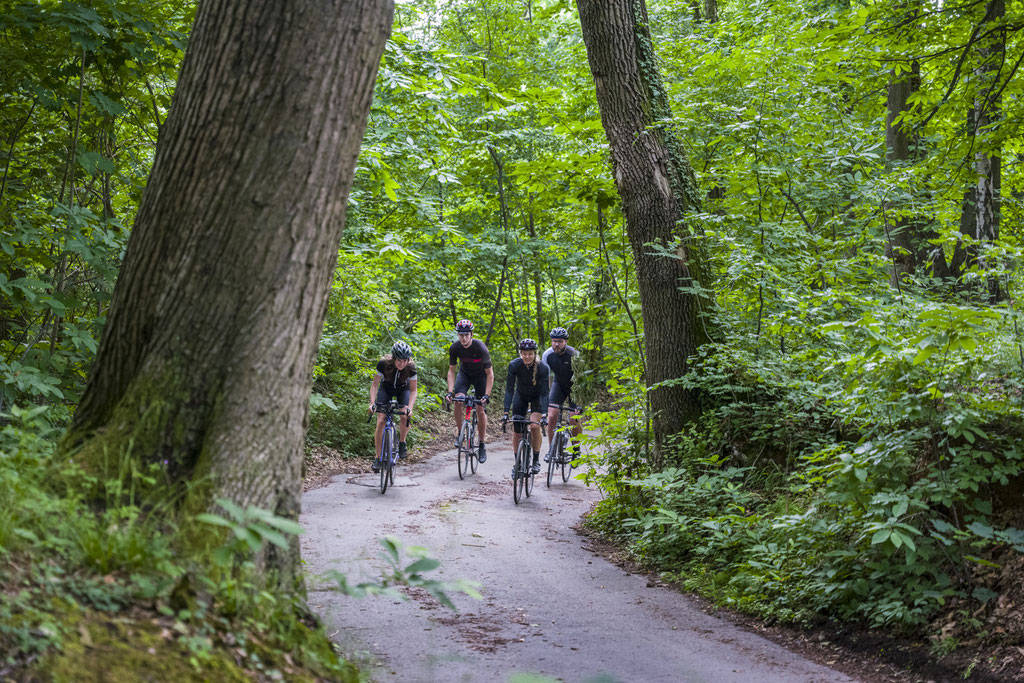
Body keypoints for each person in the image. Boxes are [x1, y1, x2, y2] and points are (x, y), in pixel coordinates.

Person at [445, 319, 494, 462]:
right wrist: (450, 391)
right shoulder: (455, 348)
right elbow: (451, 371)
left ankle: (482, 444)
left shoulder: (480, 347)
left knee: (480, 409)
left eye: (466, 335)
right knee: (458, 401)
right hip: (465, 375)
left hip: (481, 377)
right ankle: (460, 433)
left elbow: (490, 374)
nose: (464, 338)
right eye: (461, 335)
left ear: (471, 334)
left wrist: (487, 395)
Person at [368, 341, 417, 473]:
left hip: (403, 390)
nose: (402, 364)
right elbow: (374, 385)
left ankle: (402, 442)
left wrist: (410, 407)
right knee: (380, 420)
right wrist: (372, 403)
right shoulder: (383, 364)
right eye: (399, 361)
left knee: (404, 414)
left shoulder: (411, 368)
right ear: (394, 358)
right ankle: (377, 458)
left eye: (405, 360)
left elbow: (413, 390)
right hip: (386, 389)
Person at [503, 338, 549, 476]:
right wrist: (506, 411)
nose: (527, 356)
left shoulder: (542, 368)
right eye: (524, 353)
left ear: (535, 354)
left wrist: (545, 415)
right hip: (521, 396)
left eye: (530, 354)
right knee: (517, 432)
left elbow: (546, 392)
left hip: (537, 397)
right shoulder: (514, 365)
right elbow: (509, 389)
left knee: (535, 427)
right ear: (520, 353)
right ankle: (517, 463)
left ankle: (535, 460)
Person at [542, 327, 582, 460]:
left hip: (575, 387)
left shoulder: (574, 355)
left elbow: (582, 380)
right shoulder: (547, 355)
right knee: (552, 415)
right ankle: (552, 450)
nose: (556, 344)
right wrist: (544, 401)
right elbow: (545, 379)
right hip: (558, 384)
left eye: (560, 341)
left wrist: (580, 403)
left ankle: (576, 449)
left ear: (566, 342)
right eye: (554, 341)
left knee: (573, 417)